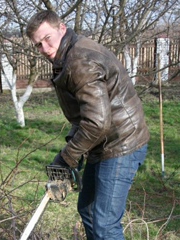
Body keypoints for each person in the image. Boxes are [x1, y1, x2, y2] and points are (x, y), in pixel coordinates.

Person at [26, 10, 150, 240]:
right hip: (103, 142)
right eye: (38, 45)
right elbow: (85, 115)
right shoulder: (67, 55)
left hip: (121, 143)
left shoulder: (80, 61)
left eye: (47, 39)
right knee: (89, 212)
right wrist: (71, 149)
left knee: (104, 224)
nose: (44, 48)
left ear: (62, 28)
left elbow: (96, 123)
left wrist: (67, 157)